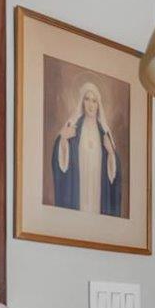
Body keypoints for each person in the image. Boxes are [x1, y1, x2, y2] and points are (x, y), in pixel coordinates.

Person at [48, 81, 124, 217]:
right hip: (79, 188)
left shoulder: (104, 132)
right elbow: (61, 164)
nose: (90, 105)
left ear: (98, 105)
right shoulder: (74, 128)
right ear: (82, 102)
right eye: (87, 99)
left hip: (97, 187)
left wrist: (111, 153)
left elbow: (114, 175)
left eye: (94, 101)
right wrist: (63, 139)